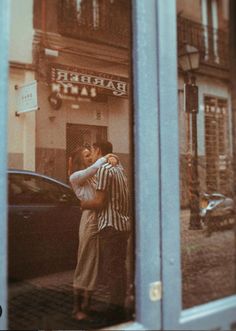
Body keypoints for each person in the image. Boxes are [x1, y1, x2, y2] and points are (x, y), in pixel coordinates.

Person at [80, 141, 131, 321]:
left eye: (92, 151)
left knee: (113, 269)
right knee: (119, 267)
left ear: (98, 151)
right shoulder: (118, 167)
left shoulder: (103, 170)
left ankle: (115, 311)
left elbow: (100, 201)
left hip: (110, 225)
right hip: (123, 225)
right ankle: (122, 305)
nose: (91, 155)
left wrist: (84, 204)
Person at [69, 146, 117, 321]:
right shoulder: (75, 177)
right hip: (89, 219)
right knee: (85, 262)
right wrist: (107, 157)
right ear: (80, 160)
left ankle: (87, 306)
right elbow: (93, 168)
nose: (90, 158)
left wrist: (111, 158)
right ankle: (77, 308)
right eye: (87, 155)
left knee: (94, 263)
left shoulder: (91, 176)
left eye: (91, 155)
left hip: (100, 218)